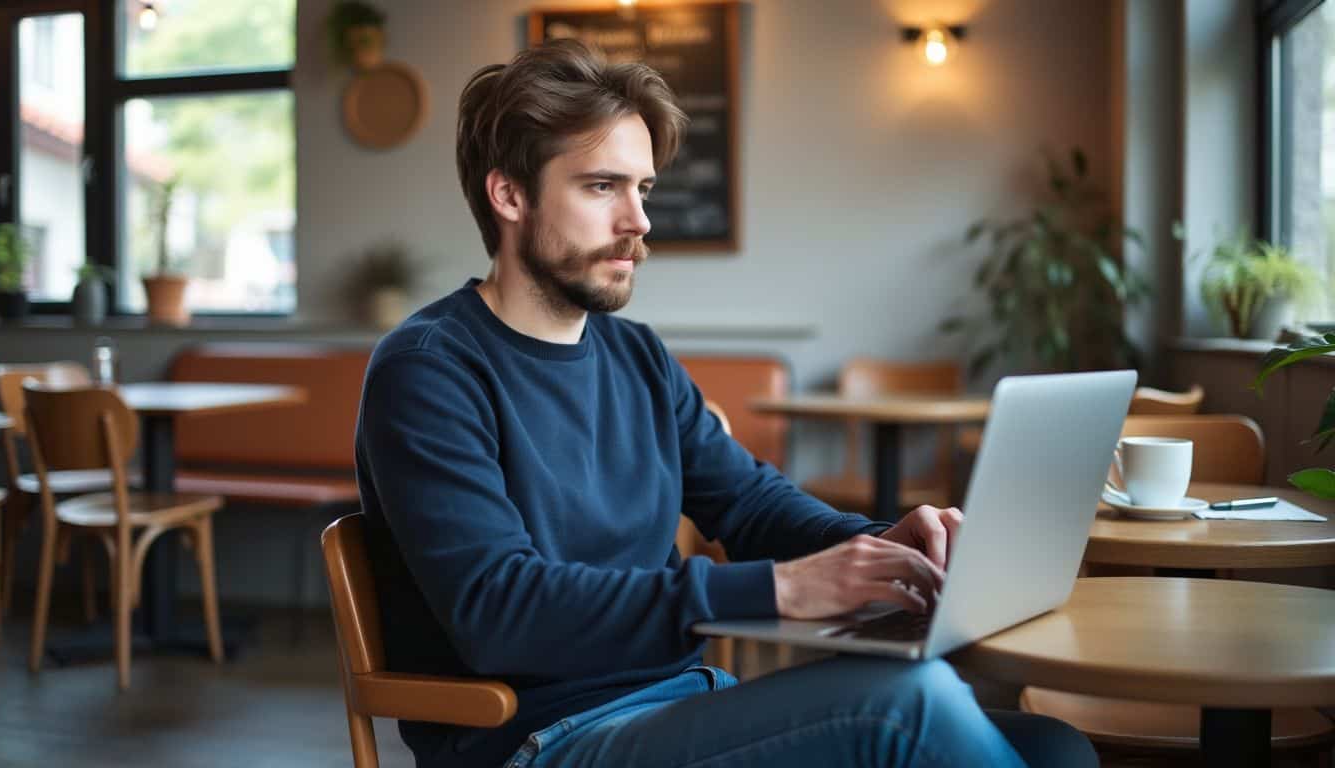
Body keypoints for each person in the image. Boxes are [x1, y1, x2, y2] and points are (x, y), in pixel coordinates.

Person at [355, 38, 1097, 768]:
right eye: (602, 186)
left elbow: (753, 507)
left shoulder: (637, 356)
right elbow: (501, 611)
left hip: (683, 703)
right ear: (509, 194)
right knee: (909, 704)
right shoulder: (428, 372)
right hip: (545, 739)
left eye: (642, 189)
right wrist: (780, 590)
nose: (639, 222)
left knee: (1054, 746)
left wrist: (885, 548)